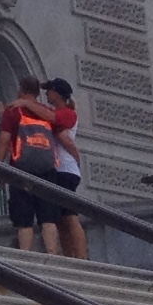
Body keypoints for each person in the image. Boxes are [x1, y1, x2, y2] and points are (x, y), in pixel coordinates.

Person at [0, 73, 61, 251]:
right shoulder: (47, 113)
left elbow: (4, 139)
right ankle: (53, 257)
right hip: (47, 169)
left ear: (21, 90)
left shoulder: (14, 111)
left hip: (21, 170)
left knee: (24, 220)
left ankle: (26, 257)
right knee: (48, 218)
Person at [43, 76, 91, 259]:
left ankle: (80, 257)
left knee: (70, 216)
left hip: (66, 169)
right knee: (62, 218)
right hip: (61, 168)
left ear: (57, 93)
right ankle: (71, 256)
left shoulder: (67, 113)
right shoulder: (62, 113)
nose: (46, 93)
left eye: (49, 90)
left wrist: (76, 155)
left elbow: (64, 138)